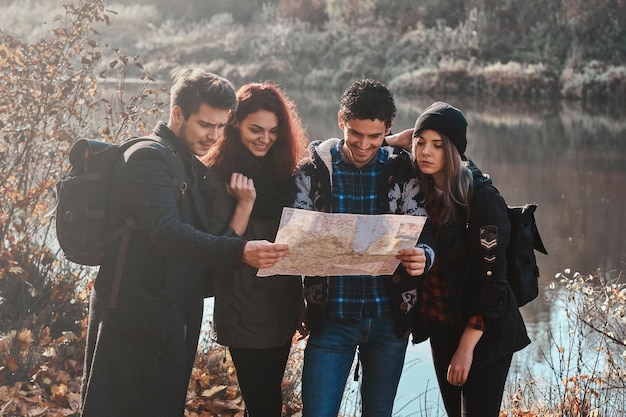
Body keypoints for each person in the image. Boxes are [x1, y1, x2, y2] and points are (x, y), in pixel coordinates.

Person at [79, 69, 289, 417]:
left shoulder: (187, 161)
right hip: (132, 312)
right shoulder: (148, 158)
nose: (215, 135)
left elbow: (203, 239)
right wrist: (241, 251)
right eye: (207, 125)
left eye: (222, 126)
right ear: (177, 114)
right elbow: (167, 231)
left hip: (173, 315)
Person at [292, 78, 436, 417]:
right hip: (331, 318)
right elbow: (293, 239)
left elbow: (426, 232)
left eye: (375, 136)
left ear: (388, 129)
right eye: (355, 134)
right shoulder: (311, 171)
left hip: (388, 319)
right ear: (341, 120)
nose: (363, 145)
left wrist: (424, 258)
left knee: (379, 412)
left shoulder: (403, 170)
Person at [411, 101, 530, 416]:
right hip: (442, 325)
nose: (425, 151)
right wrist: (403, 139)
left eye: (437, 145)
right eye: (420, 142)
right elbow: (371, 144)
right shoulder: (417, 192)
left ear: (452, 151)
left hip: (485, 329)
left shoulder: (481, 199)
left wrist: (466, 348)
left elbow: (494, 283)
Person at [201, 82, 308, 417]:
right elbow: (217, 250)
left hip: (282, 300)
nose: (265, 138)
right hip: (243, 303)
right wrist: (245, 205)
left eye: (274, 131)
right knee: (264, 404)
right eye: (256, 129)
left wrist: (302, 298)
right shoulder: (217, 175)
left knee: (265, 403)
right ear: (234, 123)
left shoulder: (284, 174)